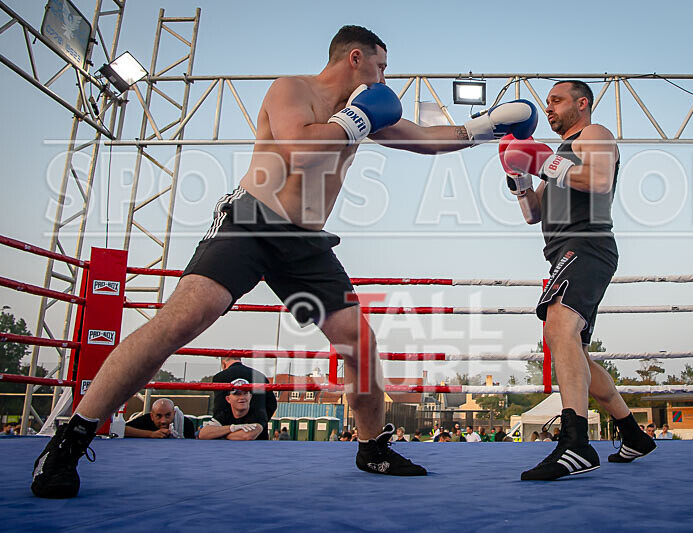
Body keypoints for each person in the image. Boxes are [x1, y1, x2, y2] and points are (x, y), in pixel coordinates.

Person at [30, 24, 539, 497]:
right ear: (356, 58)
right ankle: (70, 439)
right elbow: (299, 148)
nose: (386, 79)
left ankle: (373, 448)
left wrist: (487, 126)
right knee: (178, 322)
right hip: (252, 222)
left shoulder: (364, 111)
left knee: (360, 345)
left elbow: (428, 142)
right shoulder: (293, 89)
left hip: (307, 245)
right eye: (381, 68)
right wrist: (356, 118)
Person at [500, 80, 655, 481]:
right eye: (546, 102)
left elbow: (599, 181)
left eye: (556, 101)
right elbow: (534, 214)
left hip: (587, 242)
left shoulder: (594, 134)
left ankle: (576, 443)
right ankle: (632, 434)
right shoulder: (559, 156)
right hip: (562, 249)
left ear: (581, 104)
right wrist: (519, 177)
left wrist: (544, 163)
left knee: (559, 326)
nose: (547, 108)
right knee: (576, 353)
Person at [212, 356, 276, 424]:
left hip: (228, 429)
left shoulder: (220, 378)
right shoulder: (259, 375)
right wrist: (261, 422)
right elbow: (272, 404)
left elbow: (219, 406)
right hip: (256, 428)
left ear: (223, 364)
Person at [198, 379, 267, 441]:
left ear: (250, 397)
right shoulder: (225, 414)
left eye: (245, 393)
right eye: (237, 394)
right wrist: (232, 428)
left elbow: (247, 436)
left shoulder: (258, 413)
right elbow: (203, 434)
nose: (242, 397)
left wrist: (219, 434)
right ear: (228, 399)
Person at [124, 398, 194, 439]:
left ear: (174, 414)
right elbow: (123, 430)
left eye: (167, 415)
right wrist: (151, 434)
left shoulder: (186, 424)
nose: (163, 421)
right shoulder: (145, 420)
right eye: (158, 416)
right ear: (152, 416)